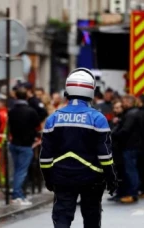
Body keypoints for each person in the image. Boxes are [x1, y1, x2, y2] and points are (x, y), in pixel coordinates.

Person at [40, 68, 117, 228]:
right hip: (92, 178)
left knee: (62, 218)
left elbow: (45, 157)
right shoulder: (98, 118)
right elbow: (105, 155)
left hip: (62, 177)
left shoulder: (53, 118)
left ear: (68, 90)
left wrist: (48, 179)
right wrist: (111, 178)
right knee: (91, 218)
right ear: (91, 90)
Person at [8, 87, 40, 205]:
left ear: (16, 97)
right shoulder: (31, 111)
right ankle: (17, 195)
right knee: (21, 171)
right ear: (26, 97)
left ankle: (19, 194)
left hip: (14, 143)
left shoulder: (11, 111)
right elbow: (36, 125)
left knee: (17, 170)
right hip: (26, 144)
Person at [111, 95, 141, 204]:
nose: (123, 104)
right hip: (130, 146)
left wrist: (113, 135)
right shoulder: (131, 113)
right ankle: (131, 193)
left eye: (124, 102)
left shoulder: (130, 114)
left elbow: (125, 130)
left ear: (129, 102)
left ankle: (133, 194)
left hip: (129, 146)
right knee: (130, 170)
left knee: (130, 171)